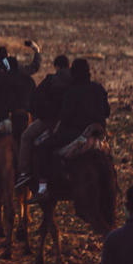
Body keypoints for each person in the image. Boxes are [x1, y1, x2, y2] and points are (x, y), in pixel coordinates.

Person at [32, 58, 110, 200]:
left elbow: (65, 116)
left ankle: (43, 188)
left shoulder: (72, 92)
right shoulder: (98, 88)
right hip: (98, 133)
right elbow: (107, 111)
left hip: (75, 133)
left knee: (43, 147)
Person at [15, 55, 71, 188]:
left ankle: (24, 173)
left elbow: (36, 100)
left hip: (51, 121)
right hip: (75, 123)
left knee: (26, 137)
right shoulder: (78, 79)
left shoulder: (51, 80)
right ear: (69, 66)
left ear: (56, 67)